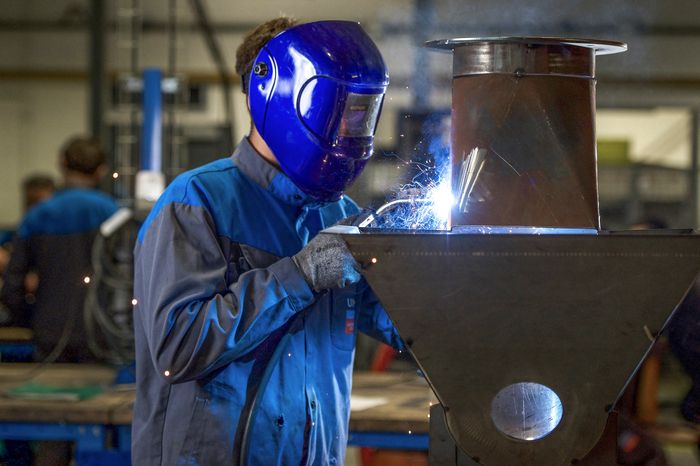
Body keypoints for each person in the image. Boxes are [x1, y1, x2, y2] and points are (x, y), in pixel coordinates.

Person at [132, 18, 403, 465]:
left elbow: (399, 321)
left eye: (360, 114)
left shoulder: (337, 214)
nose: (348, 130)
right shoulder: (196, 202)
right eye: (340, 110)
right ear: (281, 95)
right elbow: (177, 349)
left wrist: (432, 276)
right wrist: (299, 275)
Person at [0, 137, 119, 362]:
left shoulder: (35, 217)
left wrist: (27, 319)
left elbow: (12, 284)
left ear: (62, 164)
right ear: (101, 171)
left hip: (48, 334)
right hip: (100, 335)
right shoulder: (114, 215)